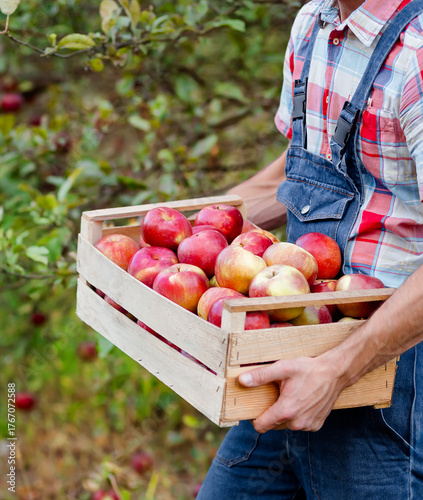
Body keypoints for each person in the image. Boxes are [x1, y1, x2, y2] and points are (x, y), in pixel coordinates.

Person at [198, 0, 423, 498]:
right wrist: (193, 235)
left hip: (389, 370)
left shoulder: (417, 56)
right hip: (300, 339)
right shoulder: (314, 23)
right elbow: (303, 166)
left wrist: (336, 371)